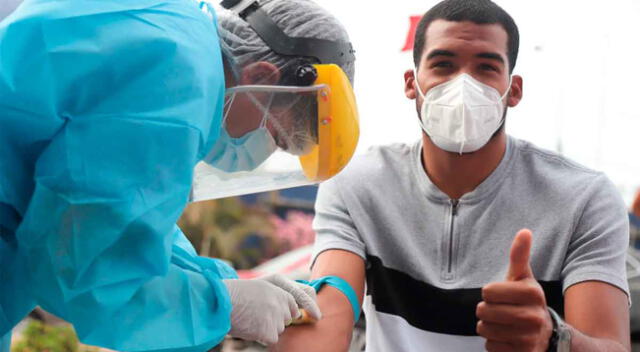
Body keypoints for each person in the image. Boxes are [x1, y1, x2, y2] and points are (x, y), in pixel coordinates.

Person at [0, 0, 356, 351]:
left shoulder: (174, 32)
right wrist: (223, 304)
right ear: (262, 76)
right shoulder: (177, 84)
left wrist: (221, 281)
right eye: (276, 137)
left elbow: (123, 226)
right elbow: (85, 273)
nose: (262, 153)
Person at [275, 0, 631, 351]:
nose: (463, 85)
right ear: (412, 84)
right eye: (443, 65)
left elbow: (610, 344)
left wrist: (553, 337)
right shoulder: (357, 185)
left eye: (487, 68)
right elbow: (330, 312)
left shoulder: (583, 198)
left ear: (514, 90)